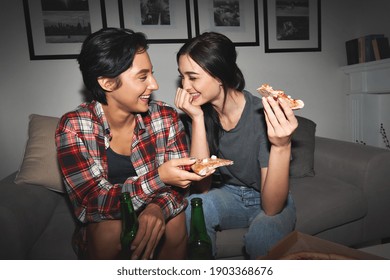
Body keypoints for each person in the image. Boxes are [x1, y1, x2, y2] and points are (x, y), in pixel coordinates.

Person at [55, 28, 213, 260]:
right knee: (109, 231)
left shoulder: (165, 117)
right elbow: (91, 203)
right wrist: (158, 178)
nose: (155, 84)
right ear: (108, 83)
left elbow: (180, 187)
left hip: (159, 211)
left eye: (152, 74)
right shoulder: (74, 127)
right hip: (105, 223)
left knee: (175, 222)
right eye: (142, 77)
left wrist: (156, 207)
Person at [175, 32, 297, 259]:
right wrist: (198, 120)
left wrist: (282, 145)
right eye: (182, 77)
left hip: (269, 196)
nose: (185, 86)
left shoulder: (261, 113)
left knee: (263, 233)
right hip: (230, 195)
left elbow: (271, 207)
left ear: (219, 76)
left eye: (192, 77)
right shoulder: (202, 114)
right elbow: (201, 189)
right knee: (194, 205)